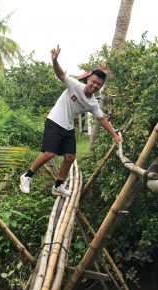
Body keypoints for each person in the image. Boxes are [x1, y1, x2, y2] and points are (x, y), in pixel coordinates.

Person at [20, 45, 122, 197]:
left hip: (67, 127)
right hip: (54, 121)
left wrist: (115, 135)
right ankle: (27, 176)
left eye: (98, 85)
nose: (94, 86)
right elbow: (60, 74)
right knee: (49, 153)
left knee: (70, 157)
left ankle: (58, 185)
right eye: (93, 82)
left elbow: (102, 120)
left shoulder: (93, 103)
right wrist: (55, 60)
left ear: (101, 87)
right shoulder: (75, 85)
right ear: (88, 79)